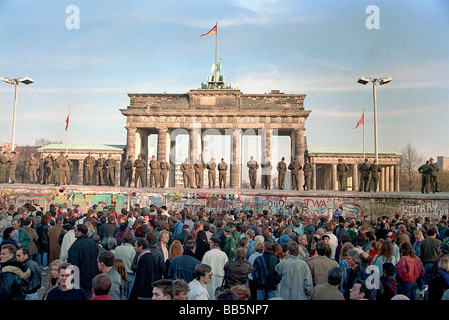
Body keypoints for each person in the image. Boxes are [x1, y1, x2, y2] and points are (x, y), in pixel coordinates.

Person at [67, 224, 100, 298]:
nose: (74, 232)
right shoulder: (93, 244)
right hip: (92, 278)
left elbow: (72, 264)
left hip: (80, 280)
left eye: (75, 231)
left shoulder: (76, 245)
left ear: (79, 232)